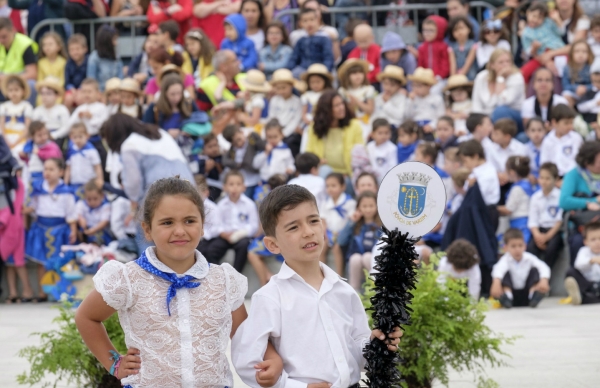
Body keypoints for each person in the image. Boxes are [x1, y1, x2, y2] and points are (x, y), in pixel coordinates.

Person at [75, 176, 283, 387]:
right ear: (147, 229)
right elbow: (87, 317)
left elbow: (246, 334)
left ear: (203, 226)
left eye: (189, 221)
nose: (180, 231)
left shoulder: (223, 280)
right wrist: (114, 363)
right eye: (167, 222)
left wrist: (273, 358)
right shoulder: (128, 278)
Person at [232, 184, 402, 387]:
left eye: (313, 221)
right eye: (293, 227)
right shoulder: (270, 297)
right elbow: (246, 361)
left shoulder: (344, 291)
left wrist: (377, 345)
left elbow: (358, 350)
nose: (308, 232)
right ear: (273, 245)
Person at [100, 114, 194, 246]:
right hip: (189, 193)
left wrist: (134, 207)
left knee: (148, 246)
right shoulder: (160, 133)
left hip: (159, 197)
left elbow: (133, 186)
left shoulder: (129, 144)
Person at [24, 158, 77, 303]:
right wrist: (22, 209)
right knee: (41, 262)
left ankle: (59, 293)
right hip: (41, 228)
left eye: (51, 169)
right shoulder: (38, 188)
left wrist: (73, 230)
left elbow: (71, 213)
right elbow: (33, 207)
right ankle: (42, 293)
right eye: (45, 169)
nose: (47, 172)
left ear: (60, 172)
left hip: (60, 229)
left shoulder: (66, 191)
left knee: (60, 262)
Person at [203, 170, 258, 272]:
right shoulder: (221, 204)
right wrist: (223, 233)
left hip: (241, 236)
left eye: (238, 184)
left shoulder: (249, 204)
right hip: (225, 236)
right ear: (225, 187)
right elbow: (217, 224)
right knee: (211, 250)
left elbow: (253, 225)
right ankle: (220, 275)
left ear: (244, 187)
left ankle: (237, 275)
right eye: (231, 184)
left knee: (243, 246)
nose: (234, 187)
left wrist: (240, 233)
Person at [305, 90, 364, 177]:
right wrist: (318, 161)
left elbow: (360, 152)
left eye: (342, 103)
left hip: (348, 175)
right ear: (326, 109)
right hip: (324, 173)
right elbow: (309, 154)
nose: (341, 108)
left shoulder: (354, 125)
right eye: (336, 105)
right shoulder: (315, 127)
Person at [491, 228, 551, 308]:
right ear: (506, 248)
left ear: (525, 246)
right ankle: (506, 297)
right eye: (513, 246)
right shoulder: (505, 259)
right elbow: (498, 269)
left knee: (535, 270)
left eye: (520, 245)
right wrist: (496, 282)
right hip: (512, 295)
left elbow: (544, 267)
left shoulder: (529, 258)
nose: (517, 249)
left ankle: (534, 295)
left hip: (526, 294)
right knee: (502, 274)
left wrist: (544, 279)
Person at [471, 48, 525, 132]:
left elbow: (504, 102)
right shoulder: (481, 77)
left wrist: (500, 79)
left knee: (500, 111)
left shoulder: (516, 77)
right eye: (501, 62)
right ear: (492, 65)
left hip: (513, 117)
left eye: (508, 61)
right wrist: (482, 121)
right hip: (487, 118)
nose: (505, 65)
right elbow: (476, 103)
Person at [338, 191, 382, 291]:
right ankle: (355, 292)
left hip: (374, 262)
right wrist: (352, 222)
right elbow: (341, 241)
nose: (368, 209)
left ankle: (376, 289)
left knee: (367, 257)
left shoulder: (381, 226)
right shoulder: (355, 224)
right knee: (355, 258)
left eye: (371, 206)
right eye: (364, 206)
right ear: (358, 207)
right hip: (356, 264)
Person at [63, 79, 109, 167]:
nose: (86, 94)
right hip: (80, 141)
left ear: (97, 93)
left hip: (96, 140)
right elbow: (69, 125)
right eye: (84, 91)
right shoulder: (80, 108)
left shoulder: (102, 108)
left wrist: (91, 118)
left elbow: (103, 125)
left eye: (89, 92)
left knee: (102, 159)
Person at [527, 162, 563, 268]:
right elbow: (532, 220)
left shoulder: (560, 196)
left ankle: (546, 276)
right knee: (531, 248)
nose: (543, 181)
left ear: (556, 179)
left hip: (554, 231)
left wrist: (547, 237)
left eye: (547, 178)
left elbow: (559, 221)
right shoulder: (535, 197)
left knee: (552, 248)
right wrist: (538, 236)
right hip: (539, 230)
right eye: (541, 178)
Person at [520, 1, 565, 84]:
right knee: (523, 73)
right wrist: (534, 48)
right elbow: (527, 51)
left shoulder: (548, 23)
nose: (536, 20)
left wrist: (557, 19)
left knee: (561, 70)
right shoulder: (526, 33)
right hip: (541, 56)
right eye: (534, 16)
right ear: (528, 13)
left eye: (540, 18)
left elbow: (561, 32)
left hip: (558, 51)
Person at [321, 172, 356, 274]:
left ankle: (340, 275)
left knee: (337, 248)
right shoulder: (326, 202)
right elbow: (323, 220)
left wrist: (340, 235)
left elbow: (351, 221)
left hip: (343, 234)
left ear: (343, 186)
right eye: (327, 186)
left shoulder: (349, 202)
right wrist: (326, 234)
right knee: (322, 247)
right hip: (329, 233)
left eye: (333, 185)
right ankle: (321, 274)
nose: (330, 189)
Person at [286, 7, 334, 78]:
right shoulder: (301, 39)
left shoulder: (324, 38)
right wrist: (287, 70)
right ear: (300, 23)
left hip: (319, 68)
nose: (309, 23)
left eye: (312, 20)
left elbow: (328, 57)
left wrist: (326, 70)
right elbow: (294, 58)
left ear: (317, 20)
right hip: (303, 69)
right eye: (305, 21)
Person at [0, 17, 38, 105]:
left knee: (31, 85)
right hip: (2, 81)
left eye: (4, 37)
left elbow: (32, 74)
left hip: (20, 81)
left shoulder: (25, 44)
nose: (1, 40)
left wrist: (8, 79)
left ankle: (28, 114)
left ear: (13, 30)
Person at [267, 68, 303, 155]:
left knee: (292, 141)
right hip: (276, 130)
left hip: (290, 132)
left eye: (284, 88)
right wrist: (275, 132)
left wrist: (284, 133)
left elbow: (296, 120)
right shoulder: (274, 100)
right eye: (278, 88)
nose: (281, 91)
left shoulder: (297, 101)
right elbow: (272, 117)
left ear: (291, 86)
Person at [499, 156, 535, 243]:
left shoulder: (517, 189)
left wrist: (492, 208)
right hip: (526, 223)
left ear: (511, 173)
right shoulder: (530, 184)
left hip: (519, 224)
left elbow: (508, 209)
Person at [222, 123, 264, 197]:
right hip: (244, 182)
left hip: (256, 178)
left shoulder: (251, 141)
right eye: (235, 142)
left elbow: (262, 146)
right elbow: (225, 161)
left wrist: (255, 136)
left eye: (239, 139)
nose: (239, 143)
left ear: (242, 132)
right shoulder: (233, 150)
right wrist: (237, 164)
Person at [539, 103, 581, 177]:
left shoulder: (576, 138)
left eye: (571, 122)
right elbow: (544, 163)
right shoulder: (547, 141)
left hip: (572, 177)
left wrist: (567, 180)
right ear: (554, 123)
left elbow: (577, 162)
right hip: (553, 178)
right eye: (566, 123)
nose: (570, 126)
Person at [338, 59, 375, 140]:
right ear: (347, 76)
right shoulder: (342, 91)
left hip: (365, 123)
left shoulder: (368, 89)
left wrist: (357, 102)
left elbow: (370, 110)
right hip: (348, 123)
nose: (358, 76)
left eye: (360, 72)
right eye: (354, 73)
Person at [565, 221, 600, 305]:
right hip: (587, 284)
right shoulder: (583, 251)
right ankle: (581, 296)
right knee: (571, 272)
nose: (597, 242)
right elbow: (578, 265)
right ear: (585, 242)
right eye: (593, 239)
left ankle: (584, 298)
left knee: (591, 297)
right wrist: (592, 260)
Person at [0, 75, 32, 157]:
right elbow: (2, 126)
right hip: (6, 138)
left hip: (21, 138)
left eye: (16, 90)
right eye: (10, 90)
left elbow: (27, 128)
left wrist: (15, 142)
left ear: (23, 91)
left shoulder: (26, 106)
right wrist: (6, 141)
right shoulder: (4, 107)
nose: (13, 93)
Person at [406, 67, 445, 134]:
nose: (415, 89)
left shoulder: (437, 99)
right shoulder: (412, 99)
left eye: (419, 86)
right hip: (415, 126)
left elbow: (441, 116)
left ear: (428, 86)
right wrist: (410, 101)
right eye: (413, 86)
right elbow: (408, 116)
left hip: (431, 127)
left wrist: (432, 125)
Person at [86, 25, 124, 92]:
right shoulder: (94, 58)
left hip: (115, 94)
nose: (116, 43)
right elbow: (91, 81)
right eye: (114, 39)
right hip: (99, 95)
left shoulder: (117, 57)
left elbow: (120, 78)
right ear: (107, 41)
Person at [370, 65, 408, 130]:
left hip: (394, 128)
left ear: (399, 86)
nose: (388, 88)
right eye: (385, 84)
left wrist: (387, 103)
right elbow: (374, 115)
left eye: (392, 85)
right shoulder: (379, 97)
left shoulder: (402, 98)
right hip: (378, 129)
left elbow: (400, 116)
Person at [76, 180, 113, 245]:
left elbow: (104, 221)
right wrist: (81, 219)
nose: (92, 202)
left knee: (97, 238)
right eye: (89, 199)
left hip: (99, 231)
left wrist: (93, 230)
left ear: (102, 196)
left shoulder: (105, 206)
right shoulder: (81, 204)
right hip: (86, 230)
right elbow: (78, 214)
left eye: (95, 199)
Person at [33, 77, 70, 141]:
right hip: (41, 139)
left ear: (57, 95)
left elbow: (66, 127)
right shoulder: (37, 111)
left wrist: (54, 135)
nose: (45, 97)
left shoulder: (62, 109)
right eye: (42, 93)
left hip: (57, 138)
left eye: (48, 93)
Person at [36, 31, 67, 106]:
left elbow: (62, 80)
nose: (47, 47)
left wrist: (54, 87)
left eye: (50, 44)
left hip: (57, 90)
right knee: (39, 100)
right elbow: (40, 79)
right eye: (45, 45)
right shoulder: (41, 62)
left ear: (58, 47)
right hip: (45, 90)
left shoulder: (63, 62)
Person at [561, 39, 593, 107]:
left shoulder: (592, 67)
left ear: (589, 54)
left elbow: (596, 84)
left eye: (584, 51)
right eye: (577, 51)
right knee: (566, 95)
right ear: (571, 54)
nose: (580, 54)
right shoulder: (567, 68)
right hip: (574, 92)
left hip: (589, 93)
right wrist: (576, 88)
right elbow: (565, 85)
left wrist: (586, 88)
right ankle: (572, 116)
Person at [300, 63, 333, 128]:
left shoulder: (328, 95)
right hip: (309, 122)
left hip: (325, 122)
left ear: (325, 81)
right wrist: (307, 121)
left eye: (318, 82)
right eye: (312, 82)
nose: (315, 85)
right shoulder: (306, 96)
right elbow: (304, 113)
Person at [367, 118, 397, 184]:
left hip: (386, 182)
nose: (383, 136)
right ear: (372, 134)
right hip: (371, 181)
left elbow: (392, 167)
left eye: (386, 133)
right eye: (380, 133)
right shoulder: (369, 147)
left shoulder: (392, 148)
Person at [447, 16, 477, 81]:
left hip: (470, 77)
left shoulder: (473, 46)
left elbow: (468, 63)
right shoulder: (451, 47)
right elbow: (453, 64)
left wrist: (460, 78)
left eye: (461, 28)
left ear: (469, 29)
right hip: (456, 77)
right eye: (455, 29)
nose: (459, 32)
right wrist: (453, 78)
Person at [64, 33, 89, 110]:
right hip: (72, 90)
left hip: (85, 89)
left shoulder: (89, 61)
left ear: (85, 49)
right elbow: (67, 81)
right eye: (72, 50)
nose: (75, 52)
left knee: (81, 98)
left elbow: (89, 78)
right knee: (68, 98)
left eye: (77, 49)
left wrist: (81, 89)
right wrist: (72, 89)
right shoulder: (68, 63)